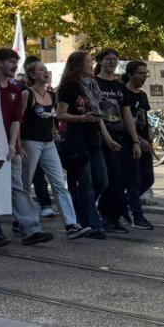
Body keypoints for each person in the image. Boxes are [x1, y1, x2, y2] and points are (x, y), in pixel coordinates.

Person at [14, 59, 80, 241]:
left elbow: (51, 117)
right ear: (33, 75)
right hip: (30, 142)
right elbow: (17, 121)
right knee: (25, 184)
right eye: (42, 70)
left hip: (48, 143)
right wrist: (18, 145)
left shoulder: (51, 95)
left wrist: (54, 131)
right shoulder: (27, 94)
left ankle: (71, 224)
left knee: (59, 183)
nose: (46, 72)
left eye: (47, 70)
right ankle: (21, 220)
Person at [54, 50, 106, 240]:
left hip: (94, 136)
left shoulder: (93, 85)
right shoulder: (70, 86)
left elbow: (98, 114)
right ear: (78, 64)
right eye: (88, 61)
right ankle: (92, 224)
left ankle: (81, 210)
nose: (91, 64)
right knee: (86, 183)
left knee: (101, 180)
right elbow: (60, 114)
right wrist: (82, 118)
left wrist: (107, 138)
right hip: (77, 139)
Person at [93, 49, 145, 233]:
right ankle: (100, 213)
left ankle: (112, 217)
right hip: (101, 136)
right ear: (100, 61)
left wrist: (135, 141)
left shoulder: (119, 87)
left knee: (120, 179)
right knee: (107, 178)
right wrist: (105, 136)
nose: (112, 62)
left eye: (115, 59)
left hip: (120, 136)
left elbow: (127, 115)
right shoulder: (93, 84)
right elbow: (95, 113)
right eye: (108, 59)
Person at [120, 61, 157, 224]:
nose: (144, 77)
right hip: (131, 142)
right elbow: (125, 120)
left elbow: (145, 118)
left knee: (148, 178)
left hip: (144, 141)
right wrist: (138, 140)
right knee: (133, 180)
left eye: (145, 73)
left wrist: (149, 138)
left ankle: (123, 202)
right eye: (141, 73)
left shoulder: (142, 95)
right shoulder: (124, 93)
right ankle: (137, 214)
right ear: (131, 74)